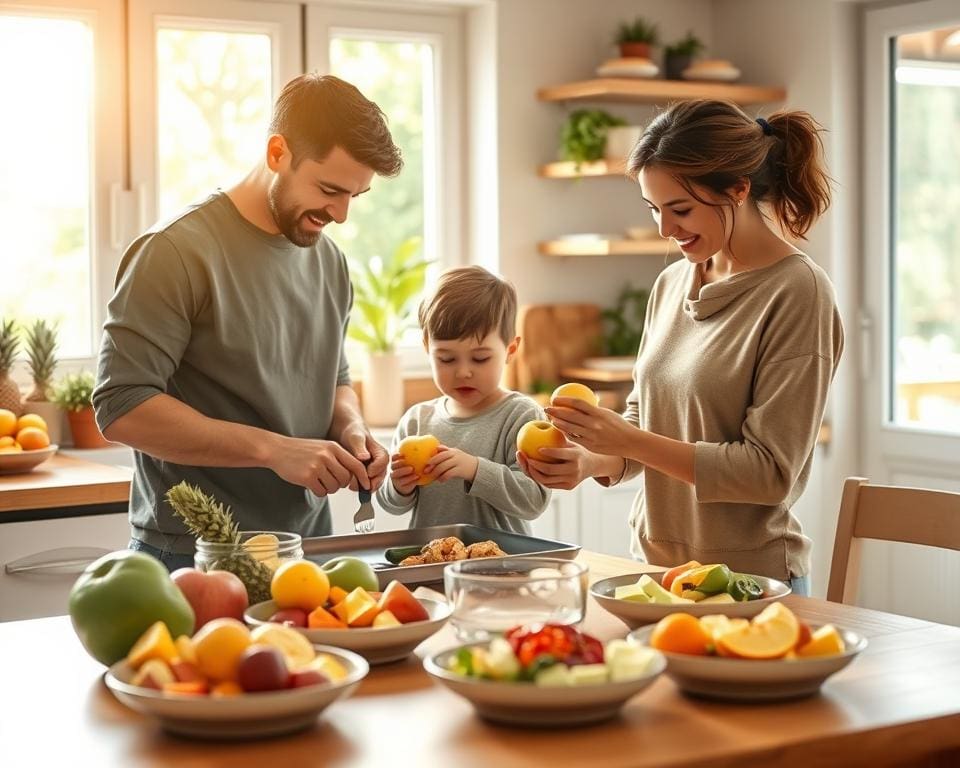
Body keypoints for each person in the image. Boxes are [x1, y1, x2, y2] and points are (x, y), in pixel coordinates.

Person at [519, 99, 843, 595]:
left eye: (681, 209)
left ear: (737, 189)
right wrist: (591, 461)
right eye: (654, 210)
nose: (665, 230)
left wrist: (626, 442)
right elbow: (643, 421)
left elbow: (769, 473)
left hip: (750, 584)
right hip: (655, 574)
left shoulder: (798, 292)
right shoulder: (672, 283)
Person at [93, 74, 403, 571]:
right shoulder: (175, 251)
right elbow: (121, 405)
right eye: (329, 189)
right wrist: (273, 451)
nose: (341, 214)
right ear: (277, 153)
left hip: (306, 554)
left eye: (354, 196)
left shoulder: (329, 262)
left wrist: (353, 428)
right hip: (193, 556)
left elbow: (334, 378)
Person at [376, 266, 551, 534]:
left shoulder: (521, 415)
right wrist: (399, 485)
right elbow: (392, 505)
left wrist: (475, 469)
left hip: (503, 567)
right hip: (431, 562)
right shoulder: (416, 421)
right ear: (427, 347)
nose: (463, 371)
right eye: (446, 358)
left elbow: (534, 500)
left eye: (480, 358)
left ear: (510, 350)